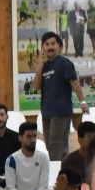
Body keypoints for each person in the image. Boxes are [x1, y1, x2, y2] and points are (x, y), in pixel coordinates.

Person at [38, 32, 85, 160]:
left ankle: (58, 171)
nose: (50, 47)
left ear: (60, 47)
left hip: (61, 112)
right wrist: (39, 67)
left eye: (53, 44)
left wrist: (82, 102)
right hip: (46, 113)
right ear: (43, 48)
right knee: (51, 147)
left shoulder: (65, 63)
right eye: (47, 44)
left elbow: (74, 82)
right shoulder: (44, 66)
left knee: (56, 147)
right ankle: (63, 169)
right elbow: (36, 87)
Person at [3, 122, 51, 190]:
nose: (33, 140)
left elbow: (43, 186)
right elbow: (11, 188)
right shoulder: (11, 160)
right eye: (29, 136)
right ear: (20, 138)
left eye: (34, 136)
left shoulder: (43, 157)